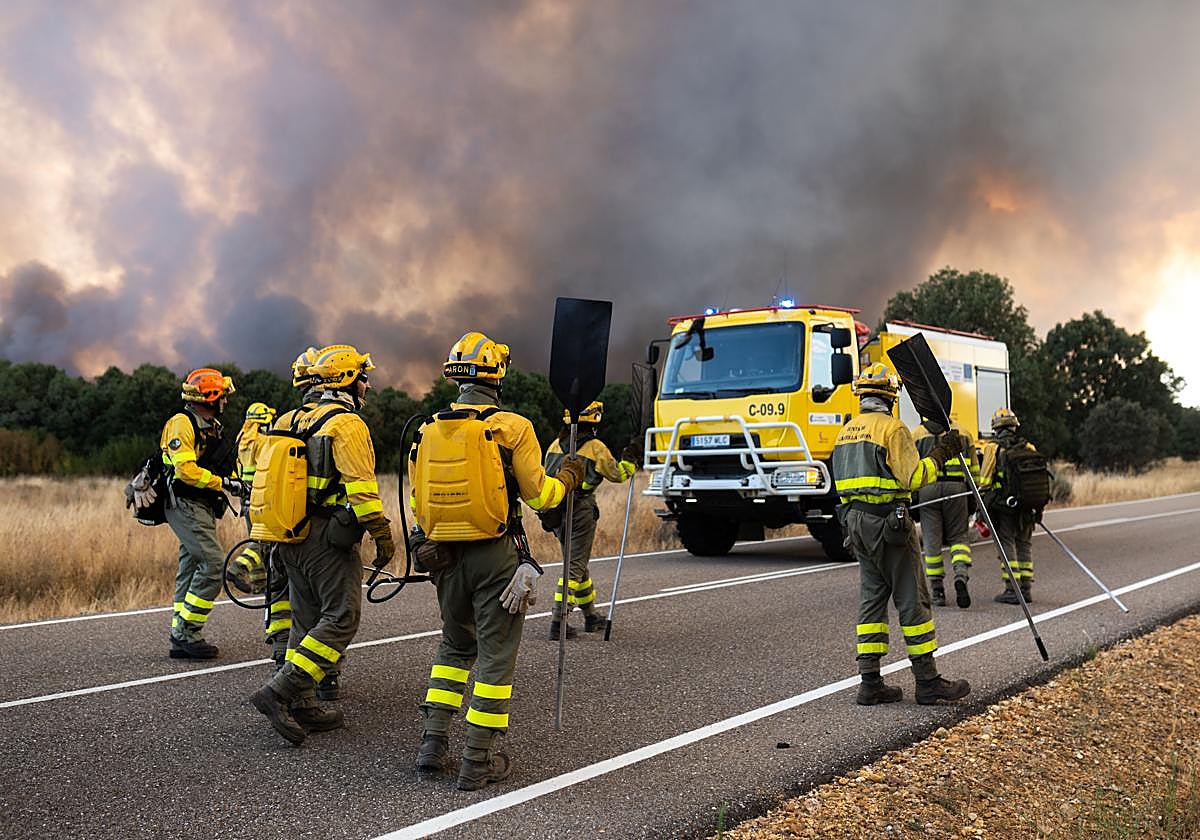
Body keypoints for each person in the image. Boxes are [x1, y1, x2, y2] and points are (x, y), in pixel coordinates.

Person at [410, 331, 585, 791]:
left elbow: (416, 501)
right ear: (497, 375)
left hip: (442, 557)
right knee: (495, 659)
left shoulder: (426, 429)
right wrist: (568, 476)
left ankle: (432, 745)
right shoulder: (512, 426)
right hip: (495, 556)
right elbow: (540, 495)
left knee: (453, 647)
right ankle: (476, 761)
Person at [250, 344, 395, 745]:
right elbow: (363, 492)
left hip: (286, 537)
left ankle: (305, 703)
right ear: (347, 381)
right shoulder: (346, 425)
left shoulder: (288, 418)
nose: (367, 384)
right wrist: (383, 537)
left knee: (306, 620)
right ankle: (280, 692)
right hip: (325, 540)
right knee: (342, 617)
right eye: (363, 377)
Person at [832, 363, 971, 706]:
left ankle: (870, 682)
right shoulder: (893, 430)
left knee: (871, 600)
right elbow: (914, 478)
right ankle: (927, 682)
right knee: (913, 599)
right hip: (889, 526)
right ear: (891, 397)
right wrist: (941, 454)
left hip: (856, 525)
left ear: (862, 396)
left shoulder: (846, 432)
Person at [161, 368, 240, 660]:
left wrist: (239, 482)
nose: (226, 402)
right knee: (213, 564)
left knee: (192, 565)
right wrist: (224, 483)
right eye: (223, 396)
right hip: (185, 502)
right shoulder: (182, 424)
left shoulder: (210, 425)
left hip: (201, 505)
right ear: (211, 397)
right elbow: (185, 470)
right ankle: (186, 632)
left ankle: (180, 634)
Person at [542, 400, 637, 639]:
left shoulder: (554, 445)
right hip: (581, 510)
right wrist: (631, 461)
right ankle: (559, 621)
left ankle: (590, 616)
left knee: (578, 564)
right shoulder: (595, 447)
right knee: (573, 567)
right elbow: (618, 475)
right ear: (595, 421)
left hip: (556, 512)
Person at [912, 421, 978, 609]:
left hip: (928, 489)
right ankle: (961, 575)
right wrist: (974, 496)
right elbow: (974, 470)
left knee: (932, 541)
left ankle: (937, 590)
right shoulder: (964, 432)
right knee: (959, 537)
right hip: (957, 489)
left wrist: (913, 497)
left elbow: (911, 468)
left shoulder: (916, 434)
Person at [980, 407, 1040, 604]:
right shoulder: (1029, 447)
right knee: (1024, 544)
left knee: (1007, 544)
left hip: (1004, 507)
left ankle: (1012, 590)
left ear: (995, 428)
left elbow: (985, 480)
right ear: (1015, 426)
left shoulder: (992, 448)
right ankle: (1026, 589)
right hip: (1027, 504)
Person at [226, 402, 277, 595]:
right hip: (261, 498)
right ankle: (237, 569)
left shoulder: (243, 440)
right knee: (263, 541)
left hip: (245, 500)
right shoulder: (263, 442)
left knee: (255, 539)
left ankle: (259, 584)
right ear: (263, 423)